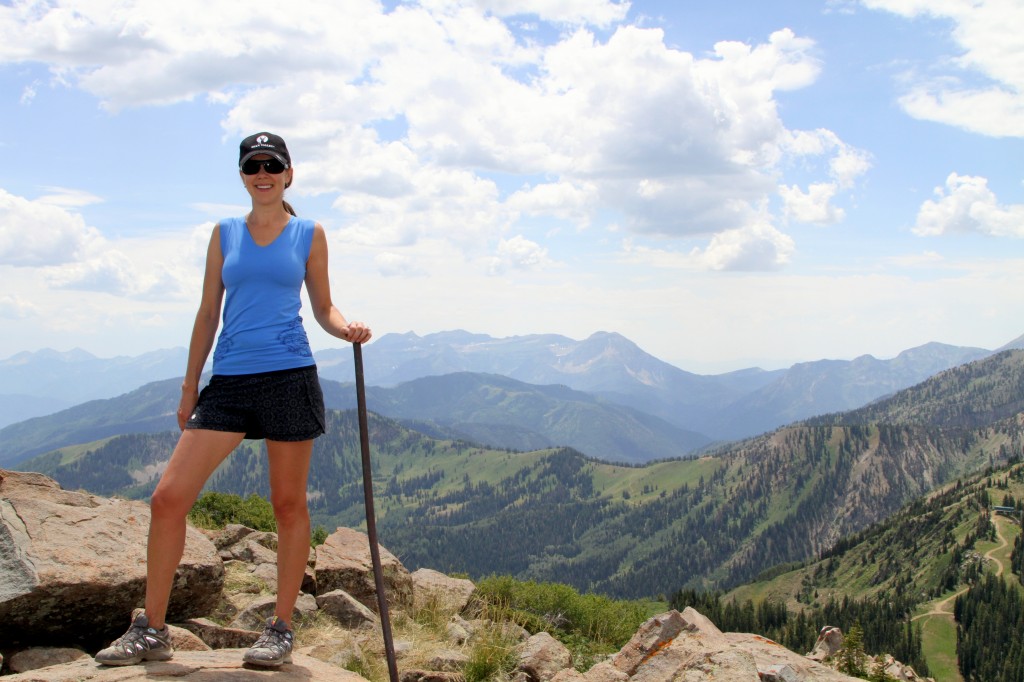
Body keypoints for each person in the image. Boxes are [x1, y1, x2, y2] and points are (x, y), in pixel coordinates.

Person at [95, 132, 371, 668]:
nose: (262, 173)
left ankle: (280, 628)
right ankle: (153, 628)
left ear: (289, 173)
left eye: (272, 164)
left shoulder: (309, 234)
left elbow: (323, 306)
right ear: (243, 175)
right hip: (230, 381)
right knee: (168, 499)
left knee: (288, 506)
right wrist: (189, 385)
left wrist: (347, 330)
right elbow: (207, 312)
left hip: (290, 376)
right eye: (252, 165)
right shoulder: (223, 233)